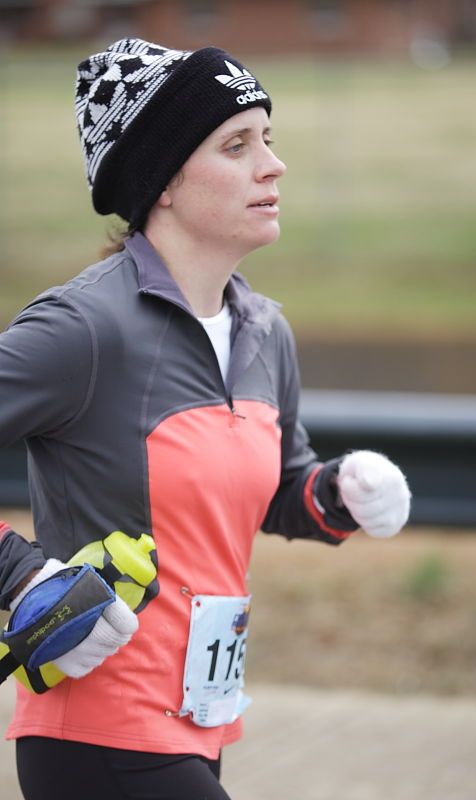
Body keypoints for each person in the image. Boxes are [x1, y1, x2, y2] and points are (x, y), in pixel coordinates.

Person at [0, 38, 411, 800]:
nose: (272, 164)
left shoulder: (263, 330)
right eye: (236, 144)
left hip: (203, 726)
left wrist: (336, 492)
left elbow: (281, 493)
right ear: (163, 181)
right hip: (97, 734)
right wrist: (17, 574)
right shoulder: (84, 330)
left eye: (268, 138)